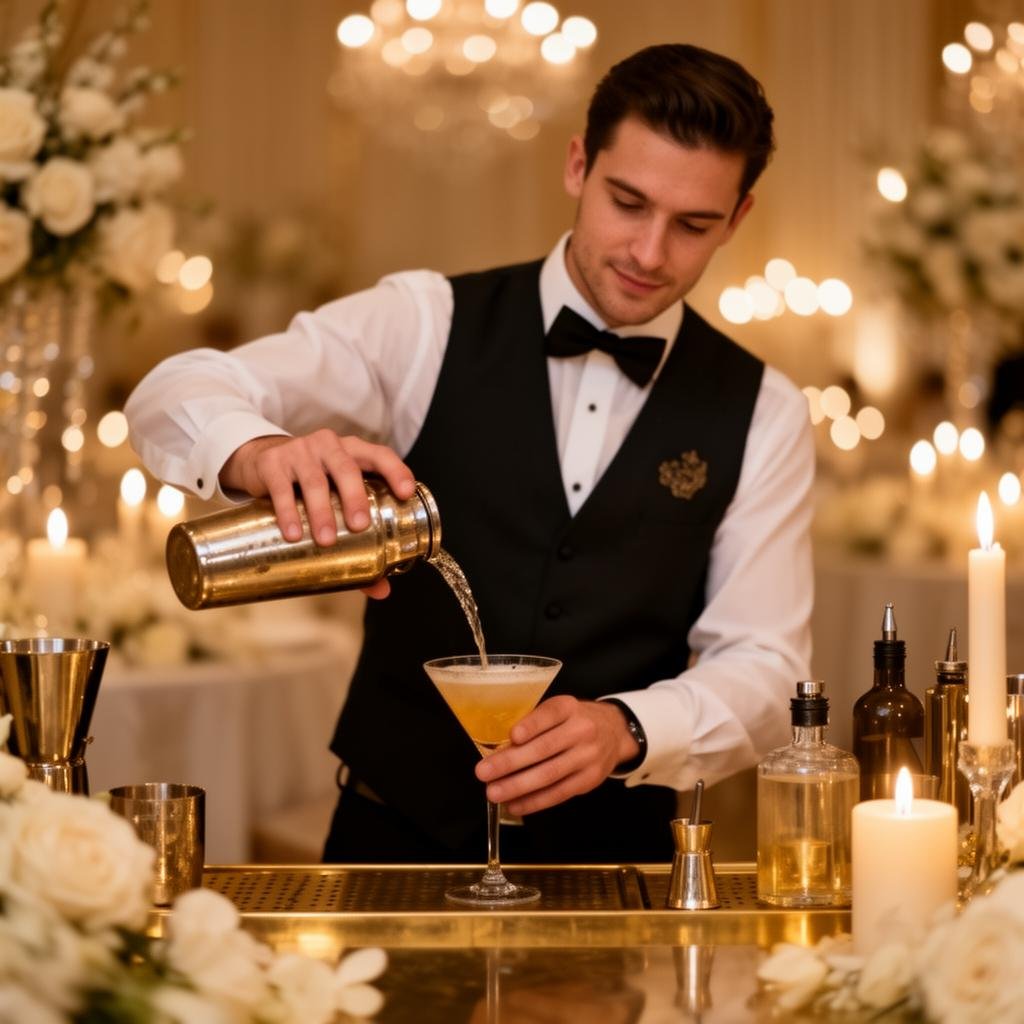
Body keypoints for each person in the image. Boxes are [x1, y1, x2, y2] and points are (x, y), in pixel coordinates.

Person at [125, 43, 813, 863]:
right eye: (627, 202)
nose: (649, 253)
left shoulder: (765, 409)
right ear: (577, 166)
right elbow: (174, 389)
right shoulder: (426, 320)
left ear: (737, 219)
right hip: (391, 838)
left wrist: (628, 728)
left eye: (693, 225)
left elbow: (768, 666)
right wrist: (259, 451)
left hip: (612, 861)